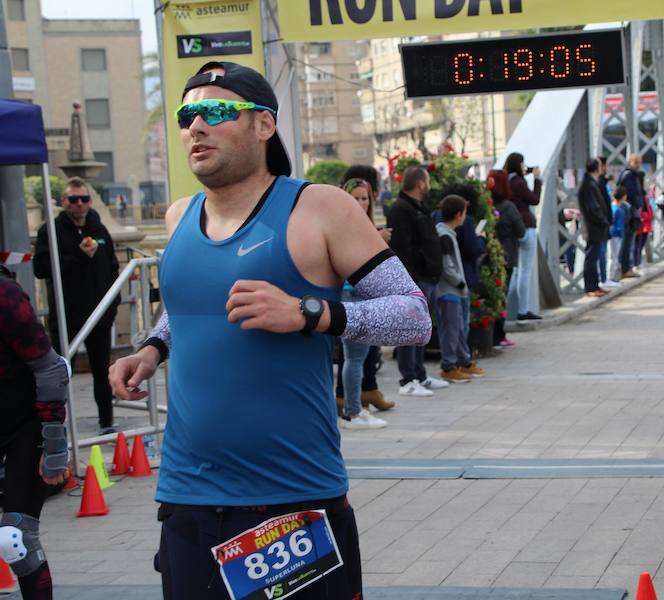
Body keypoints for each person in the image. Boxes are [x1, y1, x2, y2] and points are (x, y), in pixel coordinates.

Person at [107, 61, 431, 599]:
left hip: (291, 500)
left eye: (215, 111)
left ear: (263, 125)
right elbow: (191, 303)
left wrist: (314, 314)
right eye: (188, 114)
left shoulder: (319, 207)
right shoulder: (179, 215)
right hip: (188, 494)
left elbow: (414, 315)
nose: (196, 126)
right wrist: (152, 348)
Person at [0, 262, 70, 600]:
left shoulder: (5, 295)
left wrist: (54, 445)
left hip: (22, 425)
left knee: (16, 539)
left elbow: (50, 367)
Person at [34, 177, 120, 435]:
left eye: (84, 199)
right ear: (63, 202)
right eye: (73, 199)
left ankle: (107, 422)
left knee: (102, 371)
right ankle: (56, 428)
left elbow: (113, 268)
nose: (79, 204)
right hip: (66, 314)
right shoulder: (50, 230)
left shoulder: (99, 229)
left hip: (98, 315)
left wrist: (112, 305)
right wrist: (78, 257)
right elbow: (41, 268)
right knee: (58, 373)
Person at [333, 168, 394, 414]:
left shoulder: (363, 225)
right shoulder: (343, 226)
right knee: (354, 358)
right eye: (355, 197)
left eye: (364, 198)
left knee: (357, 358)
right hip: (351, 295)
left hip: (364, 295)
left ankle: (354, 408)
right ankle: (354, 411)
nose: (360, 202)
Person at [387, 166, 448, 397]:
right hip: (415, 280)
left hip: (427, 278)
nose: (429, 185)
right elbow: (403, 248)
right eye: (428, 181)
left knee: (421, 329)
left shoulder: (417, 208)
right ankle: (408, 378)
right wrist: (409, 281)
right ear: (421, 184)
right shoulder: (401, 210)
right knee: (409, 328)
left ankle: (420, 375)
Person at [434, 195, 476, 383]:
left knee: (456, 328)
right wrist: (460, 282)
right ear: (459, 214)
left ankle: (458, 361)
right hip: (449, 291)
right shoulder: (444, 236)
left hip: (451, 291)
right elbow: (446, 266)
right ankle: (449, 365)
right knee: (451, 329)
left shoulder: (447, 234)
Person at [503, 152, 542, 320]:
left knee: (515, 270)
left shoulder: (506, 181)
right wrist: (537, 180)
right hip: (526, 225)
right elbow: (534, 199)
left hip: (513, 228)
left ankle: (504, 308)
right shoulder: (519, 182)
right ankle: (523, 310)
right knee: (525, 270)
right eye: (523, 164)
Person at [488, 169, 525, 349]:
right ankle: (499, 335)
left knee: (490, 294)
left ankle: (491, 334)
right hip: (507, 256)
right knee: (501, 296)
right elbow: (521, 231)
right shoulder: (509, 207)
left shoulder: (485, 205)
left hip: (488, 256)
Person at [578, 158, 611, 298]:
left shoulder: (591, 182)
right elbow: (593, 208)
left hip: (596, 226)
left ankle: (595, 285)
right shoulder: (589, 184)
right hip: (594, 226)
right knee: (591, 257)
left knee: (594, 256)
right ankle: (590, 287)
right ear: (597, 168)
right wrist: (604, 221)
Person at [617, 154, 645, 278]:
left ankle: (626, 266)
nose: (639, 165)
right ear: (630, 163)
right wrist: (638, 204)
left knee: (629, 240)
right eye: (636, 162)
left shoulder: (631, 175)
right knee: (628, 240)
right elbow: (630, 193)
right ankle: (625, 268)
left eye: (640, 162)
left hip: (631, 210)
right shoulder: (629, 176)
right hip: (629, 211)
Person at [608, 186, 629, 282]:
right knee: (614, 257)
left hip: (609, 234)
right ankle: (611, 277)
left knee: (610, 256)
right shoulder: (620, 210)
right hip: (616, 236)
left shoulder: (610, 207)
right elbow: (621, 226)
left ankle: (609, 276)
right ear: (624, 196)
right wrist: (622, 235)